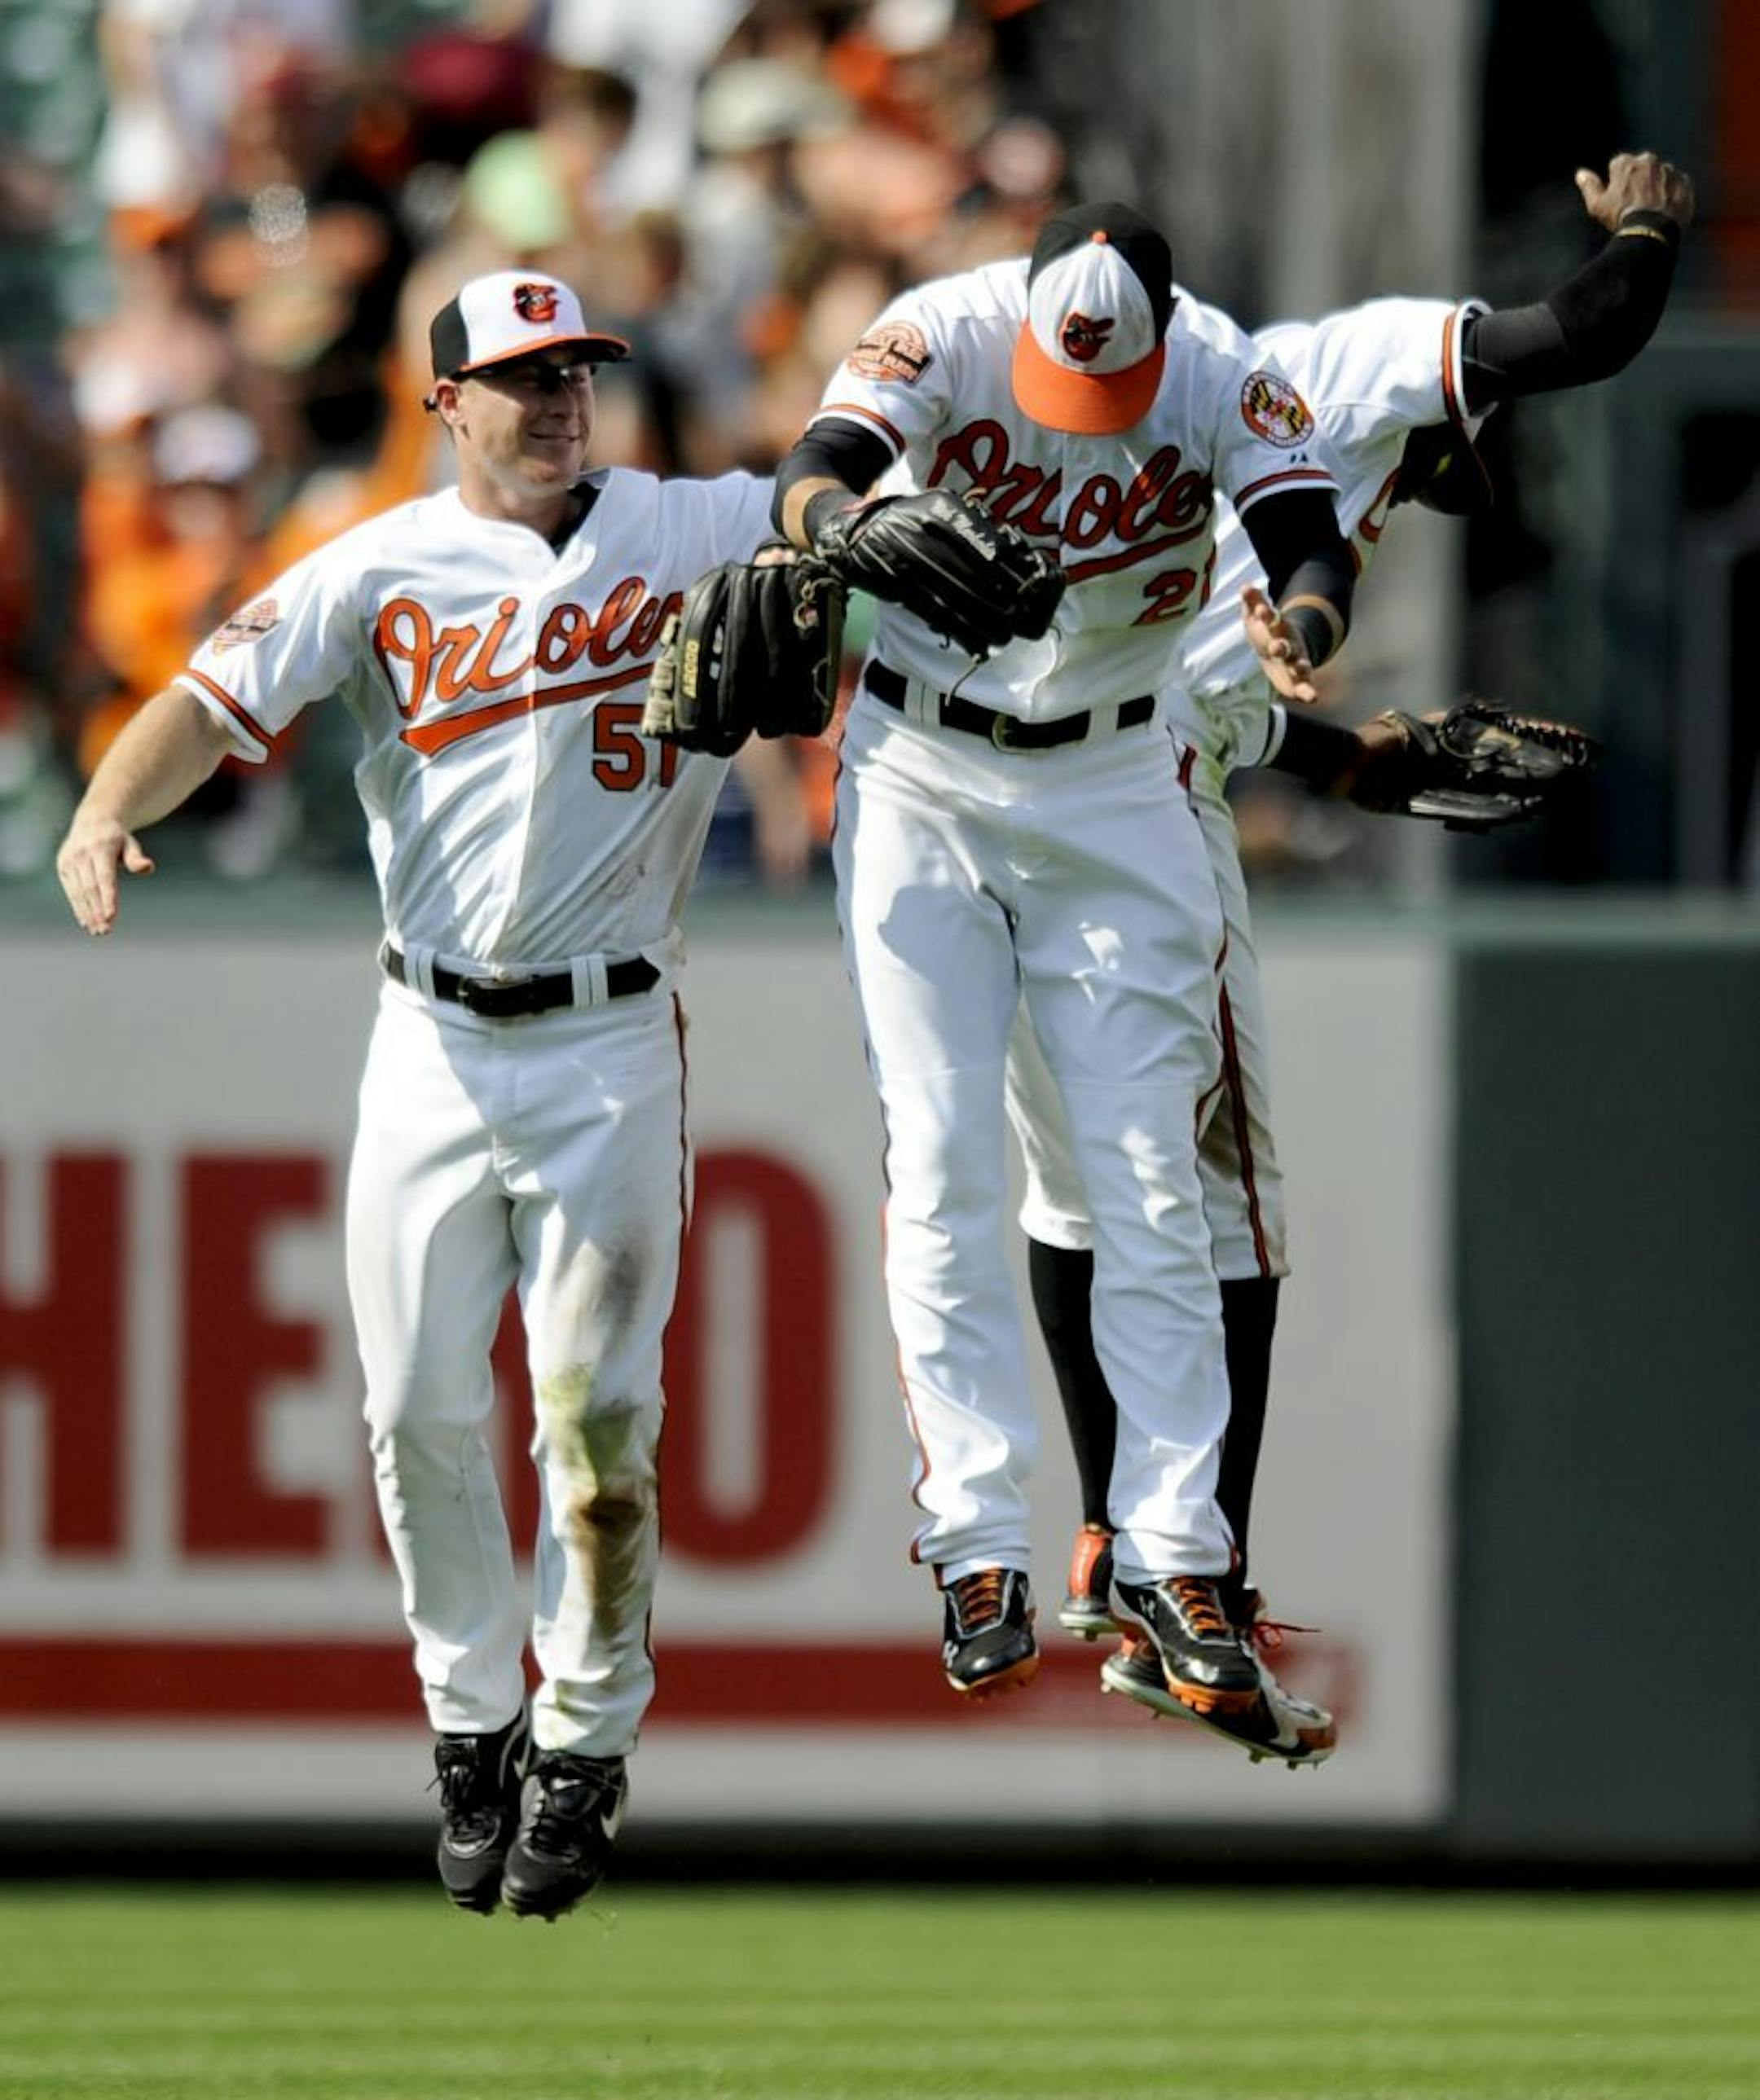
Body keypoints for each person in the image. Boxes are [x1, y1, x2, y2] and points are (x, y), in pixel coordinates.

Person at [55, 269, 787, 1920]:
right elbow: (208, 700)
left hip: (610, 1036)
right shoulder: (377, 563)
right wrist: (103, 809)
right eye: (523, 377)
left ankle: (584, 1740)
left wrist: (849, 515)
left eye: (576, 371)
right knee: (410, 1409)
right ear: (445, 400)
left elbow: (837, 492)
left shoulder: (686, 523)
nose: (559, 400)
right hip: (431, 1038)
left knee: (597, 1425)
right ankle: (472, 1719)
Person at [1011, 152, 1696, 1762]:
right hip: (1133, 817)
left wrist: (1351, 759)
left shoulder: (1155, 428)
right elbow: (1582, 333)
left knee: (1083, 1191)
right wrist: (1652, 226)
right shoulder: (1343, 365)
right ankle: (1197, 1586)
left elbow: (1186, 689)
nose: (1467, 466)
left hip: (1030, 803)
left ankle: (1117, 1544)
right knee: (1230, 1208)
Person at [772, 200, 1358, 1725]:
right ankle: (975, 1539)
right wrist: (846, 529)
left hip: (1116, 775)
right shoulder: (946, 326)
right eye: (1064, 371)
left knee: (1151, 1174)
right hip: (923, 769)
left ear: (1163, 329)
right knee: (943, 1152)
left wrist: (1304, 619)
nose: (1082, 401)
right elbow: (813, 468)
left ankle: (1177, 1553)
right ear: (1024, 314)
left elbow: (1307, 533)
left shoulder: (1218, 370)